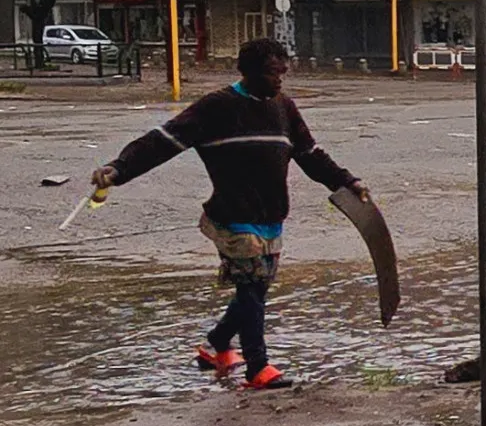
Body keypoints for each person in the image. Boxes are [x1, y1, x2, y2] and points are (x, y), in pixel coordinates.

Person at [90, 39, 367, 390]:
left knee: (257, 288)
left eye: (282, 73)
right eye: (272, 73)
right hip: (232, 216)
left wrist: (347, 182)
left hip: (271, 216)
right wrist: (119, 169)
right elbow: (163, 141)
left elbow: (311, 156)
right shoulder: (217, 107)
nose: (279, 80)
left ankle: (216, 344)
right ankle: (257, 367)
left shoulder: (284, 108)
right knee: (250, 287)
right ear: (248, 72)